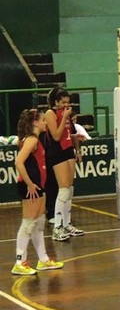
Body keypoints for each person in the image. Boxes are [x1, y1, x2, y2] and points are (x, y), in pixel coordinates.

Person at [11, 109, 64, 275]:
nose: (45, 123)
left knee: (39, 222)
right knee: (28, 223)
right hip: (30, 187)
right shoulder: (32, 140)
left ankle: (43, 260)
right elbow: (18, 162)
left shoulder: (36, 140)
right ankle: (20, 262)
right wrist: (30, 184)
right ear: (35, 123)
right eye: (43, 120)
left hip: (38, 186)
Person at [41, 87, 85, 241]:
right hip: (56, 152)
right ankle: (57, 228)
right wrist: (64, 116)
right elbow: (56, 135)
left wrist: (76, 143)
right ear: (56, 102)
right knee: (63, 189)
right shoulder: (50, 113)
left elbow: (68, 133)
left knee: (70, 189)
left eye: (68, 103)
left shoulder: (66, 114)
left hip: (68, 151)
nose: (66, 105)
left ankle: (67, 224)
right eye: (63, 102)